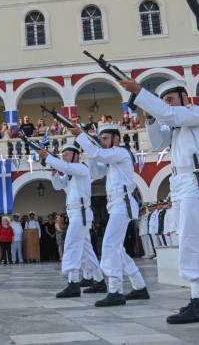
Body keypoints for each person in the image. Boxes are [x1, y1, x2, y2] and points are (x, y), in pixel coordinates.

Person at [120, 76, 199, 324]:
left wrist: (141, 93)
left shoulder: (196, 113)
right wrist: (151, 117)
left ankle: (198, 300)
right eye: (164, 100)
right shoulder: (177, 126)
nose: (167, 103)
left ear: (184, 98)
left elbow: (170, 115)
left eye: (170, 99)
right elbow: (157, 142)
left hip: (193, 181)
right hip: (181, 184)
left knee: (191, 240)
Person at [74, 124, 150, 307]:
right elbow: (95, 171)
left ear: (116, 138)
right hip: (115, 204)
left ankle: (115, 290)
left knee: (109, 245)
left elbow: (99, 154)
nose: (102, 141)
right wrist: (89, 147)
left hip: (122, 203)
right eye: (101, 139)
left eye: (106, 138)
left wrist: (82, 138)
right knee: (117, 248)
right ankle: (139, 286)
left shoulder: (121, 152)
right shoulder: (110, 159)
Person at [35, 144, 104, 298]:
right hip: (74, 214)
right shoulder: (70, 174)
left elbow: (64, 166)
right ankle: (99, 281)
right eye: (63, 154)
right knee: (86, 251)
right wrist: (54, 173)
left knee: (71, 245)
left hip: (81, 214)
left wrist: (48, 157)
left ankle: (73, 283)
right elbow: (58, 186)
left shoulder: (81, 168)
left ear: (75, 155)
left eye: (67, 154)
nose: (64, 157)